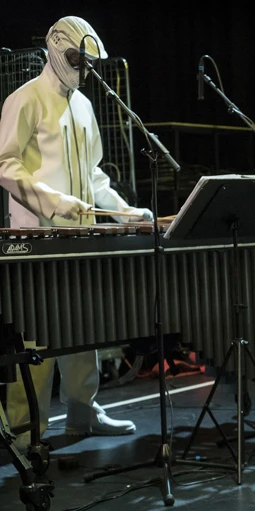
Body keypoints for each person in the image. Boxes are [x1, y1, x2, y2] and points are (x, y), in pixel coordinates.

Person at [0, 16, 153, 440]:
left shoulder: (84, 104)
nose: (83, 68)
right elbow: (5, 164)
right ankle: (25, 430)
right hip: (38, 240)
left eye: (88, 62)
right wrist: (55, 203)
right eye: (76, 59)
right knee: (36, 339)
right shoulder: (25, 98)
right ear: (55, 49)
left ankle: (82, 412)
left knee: (84, 328)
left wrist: (123, 211)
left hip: (81, 238)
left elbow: (94, 174)